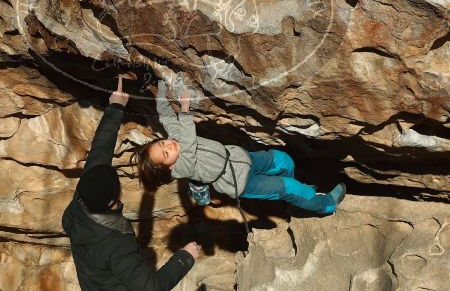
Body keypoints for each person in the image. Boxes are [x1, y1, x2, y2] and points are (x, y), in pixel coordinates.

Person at [62, 77, 199, 291]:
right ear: (114, 201)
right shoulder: (114, 244)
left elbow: (99, 151)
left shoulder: (79, 206)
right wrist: (184, 258)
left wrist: (115, 107)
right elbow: (149, 288)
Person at [134, 79, 346, 213]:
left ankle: (300, 196)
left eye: (163, 143)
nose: (169, 145)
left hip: (244, 158)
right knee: (286, 187)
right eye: (165, 153)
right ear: (169, 167)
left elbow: (166, 116)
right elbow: (189, 143)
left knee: (284, 160)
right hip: (242, 183)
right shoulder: (182, 167)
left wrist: (160, 85)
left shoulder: (175, 140)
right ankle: (326, 204)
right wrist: (186, 108)